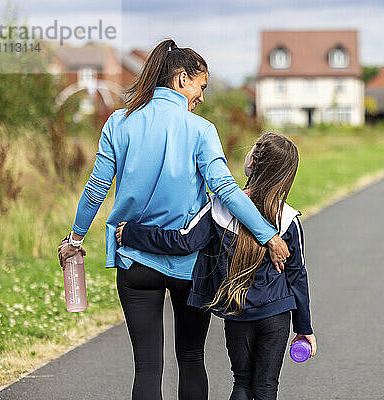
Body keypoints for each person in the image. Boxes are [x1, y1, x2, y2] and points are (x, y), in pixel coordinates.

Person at [57, 39, 290, 400]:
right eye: (201, 86)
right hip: (191, 266)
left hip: (134, 260)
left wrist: (74, 240)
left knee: (147, 368)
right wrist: (268, 235)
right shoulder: (201, 131)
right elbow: (226, 191)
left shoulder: (118, 122)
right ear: (182, 79)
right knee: (192, 358)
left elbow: (96, 188)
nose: (202, 97)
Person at [116, 132, 316, 400]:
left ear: (252, 164)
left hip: (237, 314)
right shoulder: (288, 219)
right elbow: (297, 276)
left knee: (242, 383)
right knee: (266, 388)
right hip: (276, 315)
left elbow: (182, 242)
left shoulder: (217, 208)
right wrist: (304, 328)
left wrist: (132, 233)